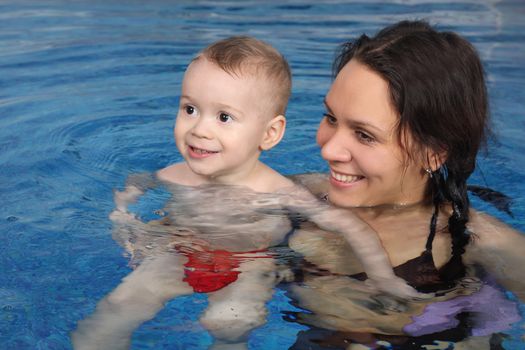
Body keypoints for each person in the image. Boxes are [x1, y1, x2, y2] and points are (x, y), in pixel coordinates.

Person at [71, 36, 418, 350]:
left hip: (248, 264)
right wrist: (125, 222)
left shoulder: (280, 191)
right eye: (189, 109)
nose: (199, 129)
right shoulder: (173, 175)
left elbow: (350, 226)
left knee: (231, 322)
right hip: (176, 255)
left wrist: (384, 278)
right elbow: (133, 185)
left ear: (270, 134)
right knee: (119, 306)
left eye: (224, 117)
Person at [287, 20, 524, 348]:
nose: (327, 148)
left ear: (433, 153)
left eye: (364, 135)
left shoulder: (482, 243)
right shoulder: (295, 195)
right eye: (330, 118)